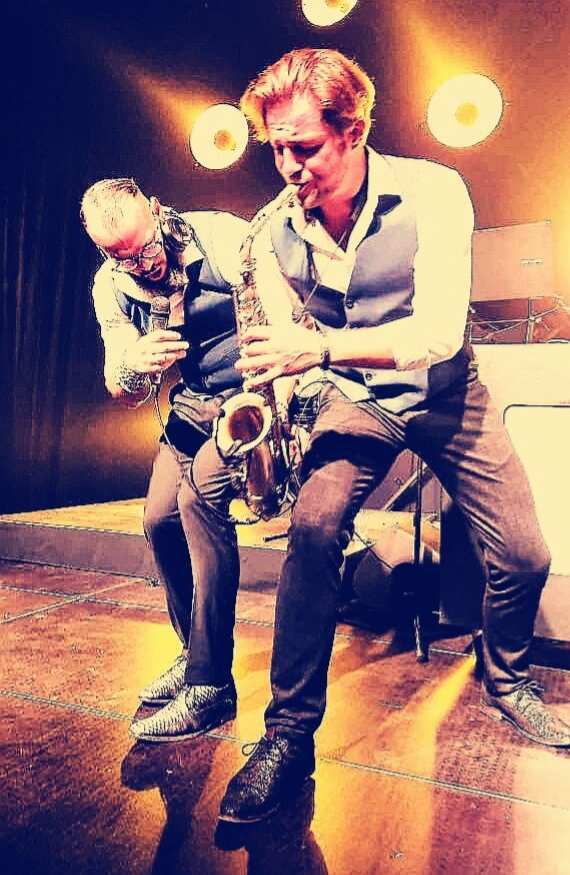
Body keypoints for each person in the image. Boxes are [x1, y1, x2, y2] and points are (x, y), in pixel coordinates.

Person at [179, 48, 570, 823]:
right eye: (277, 149)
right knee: (314, 529)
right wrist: (275, 411)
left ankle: (507, 676)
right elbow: (287, 344)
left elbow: (436, 334)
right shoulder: (272, 231)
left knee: (526, 555)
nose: (288, 167)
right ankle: (288, 736)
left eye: (304, 147)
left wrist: (318, 350)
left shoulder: (435, 190)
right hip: (359, 400)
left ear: (353, 130)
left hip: (447, 392)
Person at [81, 177, 249, 741]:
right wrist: (135, 362)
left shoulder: (221, 236)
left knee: (199, 505)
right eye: (123, 257)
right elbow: (118, 386)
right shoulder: (110, 286)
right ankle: (193, 650)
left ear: (156, 210)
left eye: (146, 246)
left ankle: (210, 683)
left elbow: (287, 312)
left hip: (252, 395)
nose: (143, 264)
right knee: (158, 519)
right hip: (194, 403)